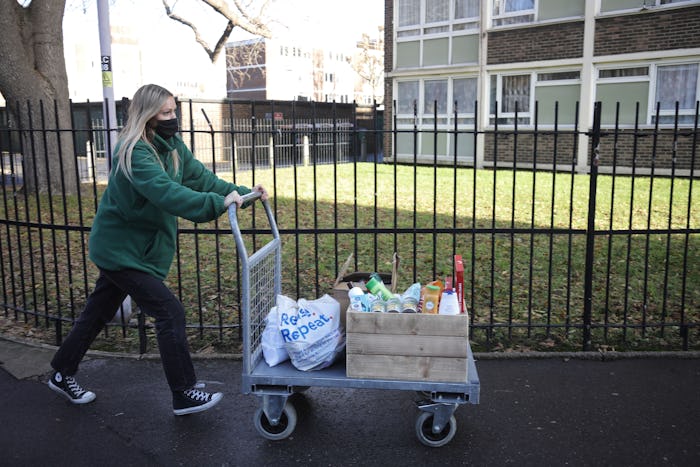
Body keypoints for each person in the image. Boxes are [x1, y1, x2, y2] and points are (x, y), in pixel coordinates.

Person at [48, 84, 268, 416]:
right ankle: (184, 392)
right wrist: (216, 204)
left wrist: (242, 193)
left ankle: (62, 372)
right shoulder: (136, 151)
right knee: (169, 312)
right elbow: (165, 192)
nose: (173, 117)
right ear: (147, 114)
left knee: (98, 312)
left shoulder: (171, 146)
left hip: (139, 249)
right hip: (119, 250)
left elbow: (201, 179)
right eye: (165, 113)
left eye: (174, 110)